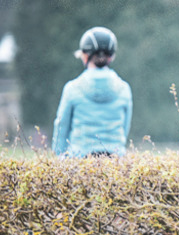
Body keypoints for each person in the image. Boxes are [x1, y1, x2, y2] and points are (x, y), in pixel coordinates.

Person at [52, 26, 132, 158]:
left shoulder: (72, 88)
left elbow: (61, 127)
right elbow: (124, 129)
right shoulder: (124, 89)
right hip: (116, 164)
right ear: (111, 57)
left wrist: (58, 160)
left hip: (79, 161)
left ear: (84, 56)